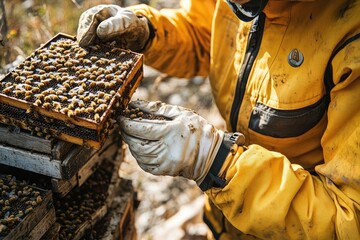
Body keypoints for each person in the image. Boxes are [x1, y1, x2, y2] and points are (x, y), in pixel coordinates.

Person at [77, 0, 360, 239]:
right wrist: (148, 32)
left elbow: (349, 220)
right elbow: (207, 34)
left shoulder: (351, 36)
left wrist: (217, 162)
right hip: (227, 224)